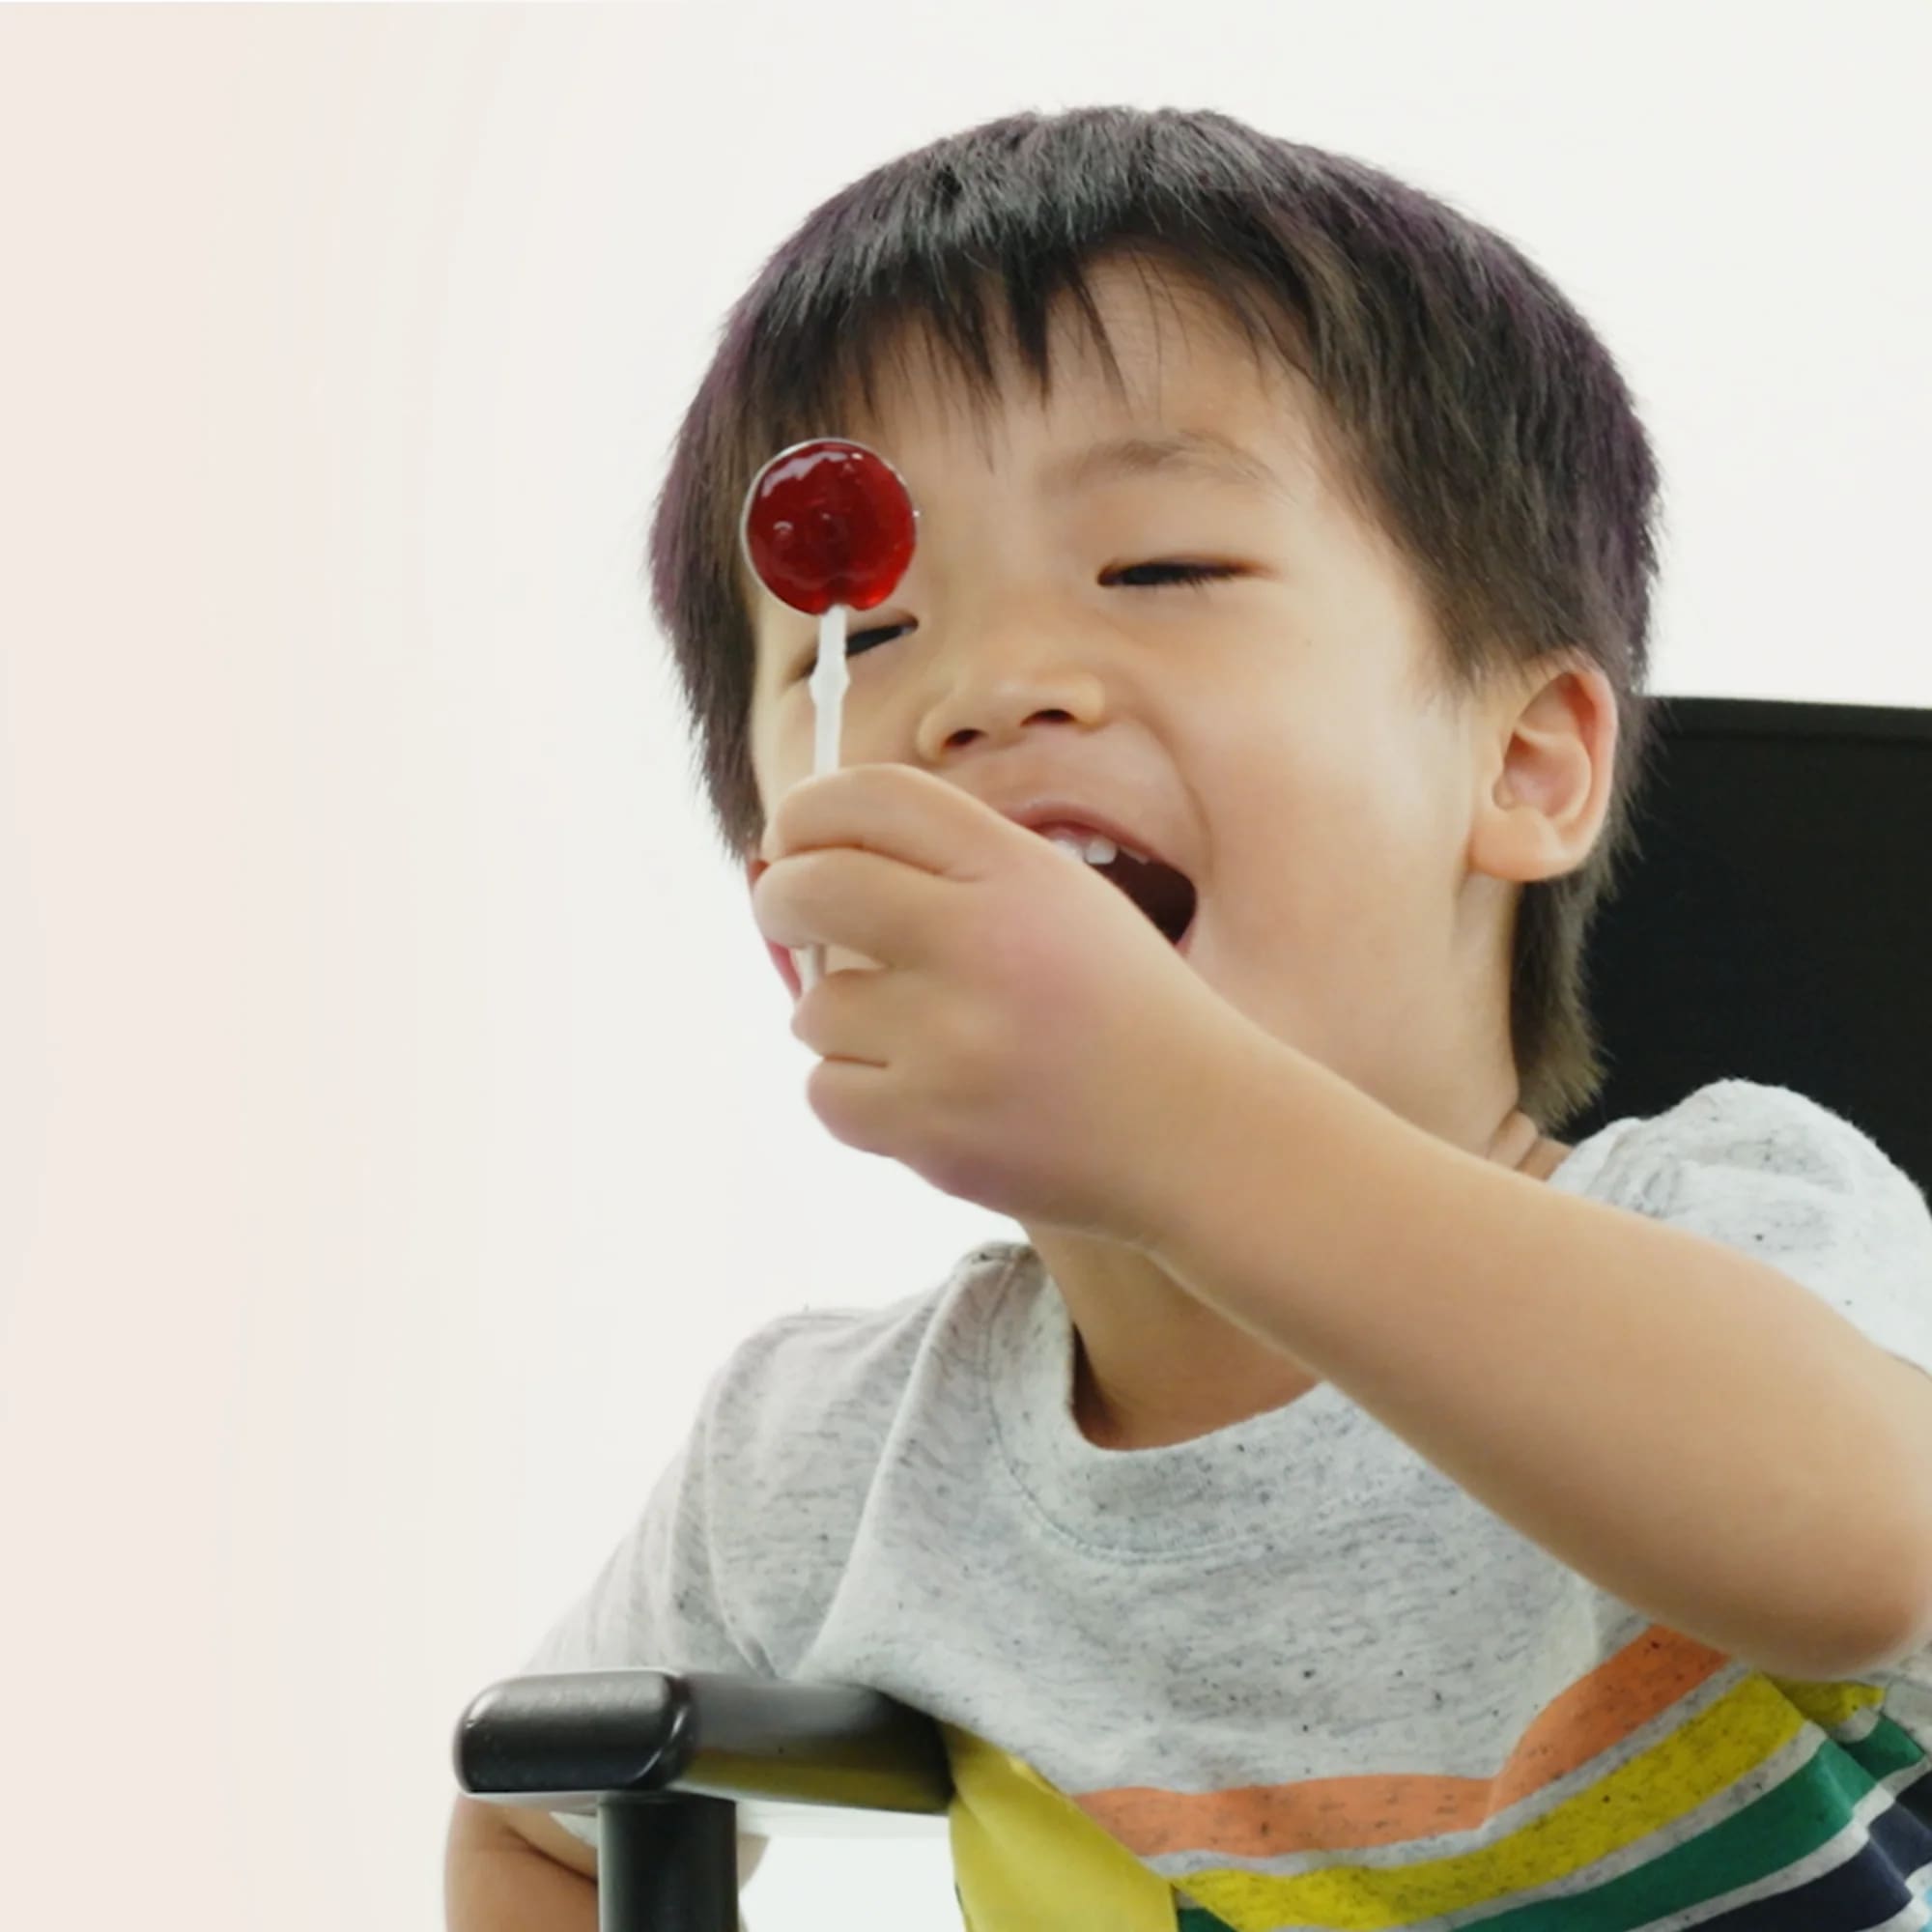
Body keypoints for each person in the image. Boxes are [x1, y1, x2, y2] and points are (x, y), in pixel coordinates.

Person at [483, 106, 1932, 1927]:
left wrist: (1180, 1122)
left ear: (1526, 758)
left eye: (1160, 569)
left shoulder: (1740, 1221)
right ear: (790, 897)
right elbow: (533, 1818)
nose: (995, 690)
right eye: (869, 637)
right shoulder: (822, 1461)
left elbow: (1863, 1541)